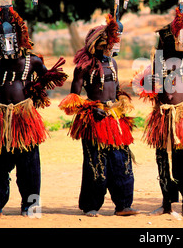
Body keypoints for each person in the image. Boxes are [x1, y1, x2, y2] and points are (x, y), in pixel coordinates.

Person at [0, 6, 67, 217]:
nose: (7, 44)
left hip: (24, 119)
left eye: (11, 39)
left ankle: (31, 205)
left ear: (19, 37)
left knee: (29, 167)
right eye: (2, 40)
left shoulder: (32, 61)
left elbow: (46, 79)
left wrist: (36, 92)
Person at [132, 5, 183, 217]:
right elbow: (151, 88)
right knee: (162, 160)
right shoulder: (160, 63)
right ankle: (167, 202)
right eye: (179, 36)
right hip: (163, 117)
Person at [59, 14, 139, 217]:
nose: (112, 47)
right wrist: (91, 108)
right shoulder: (83, 67)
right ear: (99, 44)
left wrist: (122, 100)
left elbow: (116, 88)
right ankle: (91, 205)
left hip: (115, 120)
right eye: (109, 43)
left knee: (121, 162)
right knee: (96, 163)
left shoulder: (113, 63)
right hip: (95, 120)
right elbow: (73, 98)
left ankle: (123, 204)